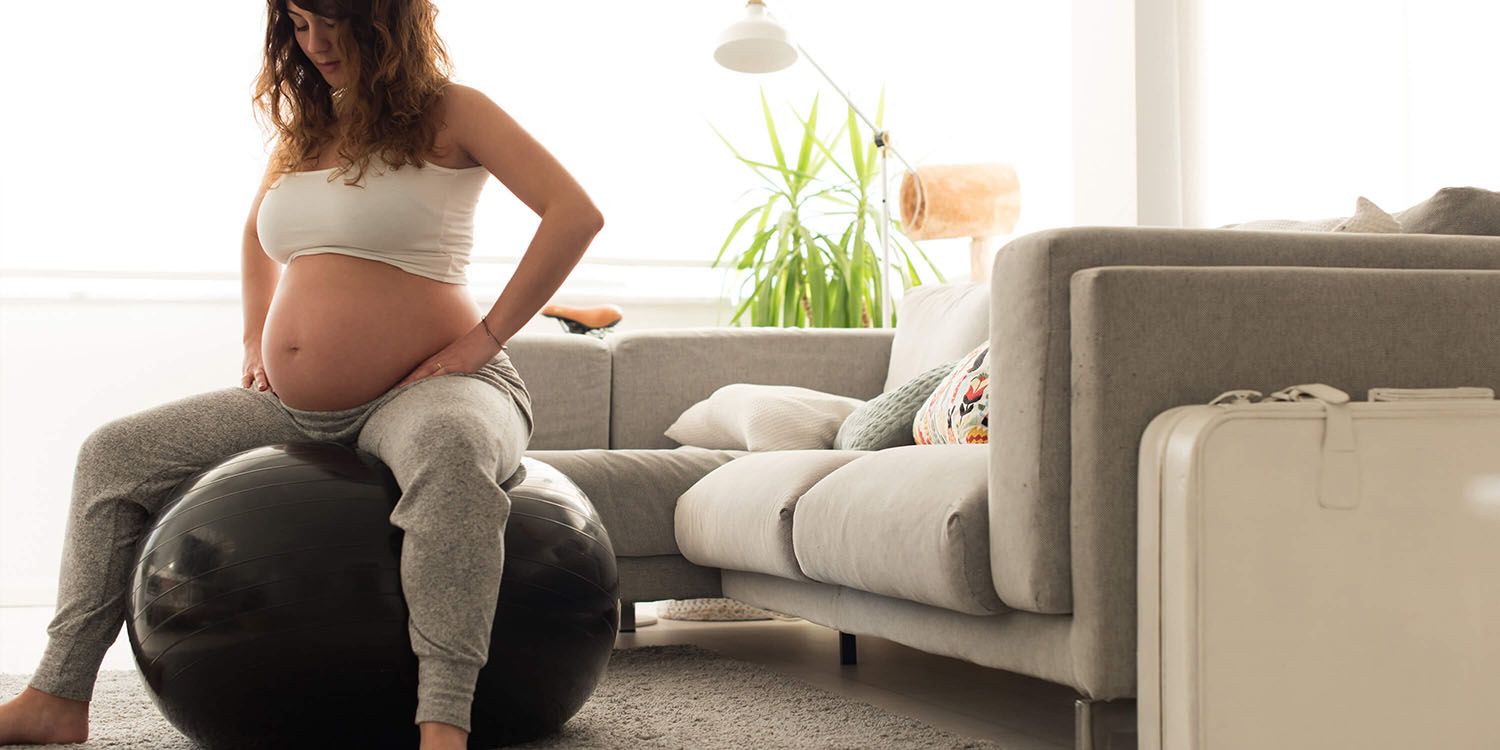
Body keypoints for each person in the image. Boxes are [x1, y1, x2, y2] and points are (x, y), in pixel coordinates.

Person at [0, 1, 603, 748]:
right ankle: (56, 697)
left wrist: (484, 339)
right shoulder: (308, 129)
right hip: (297, 410)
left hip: (435, 391)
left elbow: (573, 213)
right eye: (297, 23)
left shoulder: (453, 111)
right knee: (114, 453)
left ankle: (443, 723)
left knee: (449, 449)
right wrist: (257, 339)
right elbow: (258, 238)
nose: (314, 43)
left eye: (334, 22)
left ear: (385, 20)